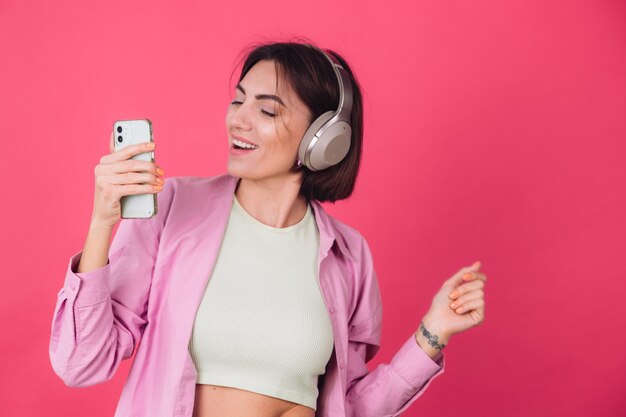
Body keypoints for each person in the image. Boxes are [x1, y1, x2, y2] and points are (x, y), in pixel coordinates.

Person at [49, 41, 487, 417]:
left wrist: (432, 334)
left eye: (266, 110)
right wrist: (102, 224)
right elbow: (81, 362)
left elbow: (348, 405)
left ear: (322, 139)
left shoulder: (349, 255)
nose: (238, 120)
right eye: (238, 100)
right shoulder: (174, 207)